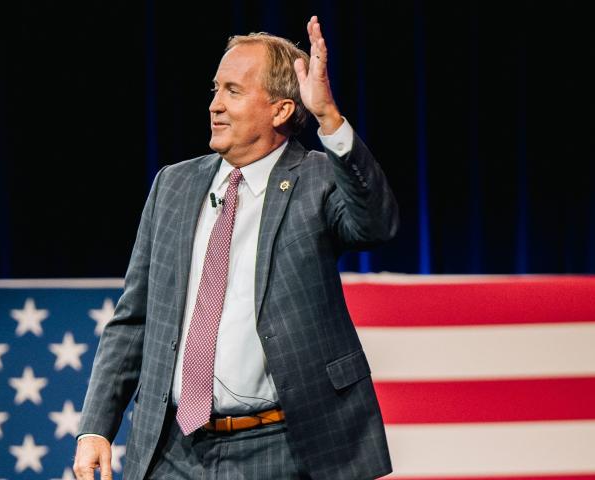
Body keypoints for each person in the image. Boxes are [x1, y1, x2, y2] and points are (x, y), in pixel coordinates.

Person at [73, 16, 398, 480]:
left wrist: (329, 119)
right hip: (174, 449)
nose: (215, 105)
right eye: (215, 89)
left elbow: (376, 225)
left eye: (233, 91)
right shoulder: (174, 184)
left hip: (283, 448)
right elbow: (134, 319)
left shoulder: (318, 179)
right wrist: (95, 429)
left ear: (281, 110)